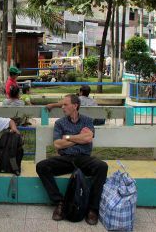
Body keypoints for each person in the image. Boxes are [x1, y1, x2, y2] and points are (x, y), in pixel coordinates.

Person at [36, 94, 108, 225]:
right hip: (66, 159)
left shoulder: (87, 121)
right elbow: (58, 144)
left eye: (65, 104)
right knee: (41, 166)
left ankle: (93, 209)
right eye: (62, 104)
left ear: (75, 106)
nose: (62, 107)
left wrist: (68, 138)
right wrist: (79, 137)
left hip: (83, 158)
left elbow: (88, 138)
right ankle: (59, 203)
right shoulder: (60, 123)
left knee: (102, 166)